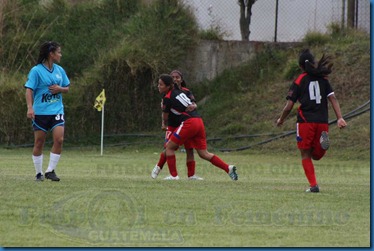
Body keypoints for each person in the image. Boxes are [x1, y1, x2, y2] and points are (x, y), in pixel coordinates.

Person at [276, 49, 347, 192]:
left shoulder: (299, 80)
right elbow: (333, 98)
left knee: (305, 154)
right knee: (316, 155)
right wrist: (339, 117)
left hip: (305, 121)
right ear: (314, 63)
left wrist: (281, 119)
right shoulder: (323, 78)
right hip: (322, 121)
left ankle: (313, 185)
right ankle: (322, 146)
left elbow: (289, 105)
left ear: (301, 66)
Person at [157, 74, 238, 181]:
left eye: (160, 84)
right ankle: (228, 168)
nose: (158, 86)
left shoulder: (168, 97)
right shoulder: (181, 92)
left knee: (169, 147)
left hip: (189, 123)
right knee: (203, 153)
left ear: (168, 86)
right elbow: (192, 104)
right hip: (199, 121)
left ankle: (173, 176)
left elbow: (166, 116)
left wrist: (164, 124)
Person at [25, 41, 70, 182]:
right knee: (39, 142)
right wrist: (30, 107)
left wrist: (60, 89)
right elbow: (29, 90)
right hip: (41, 113)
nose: (60, 54)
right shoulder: (36, 71)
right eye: (59, 52)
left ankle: (50, 170)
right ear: (51, 54)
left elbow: (67, 88)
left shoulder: (60, 70)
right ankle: (38, 173)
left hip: (57, 110)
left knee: (59, 139)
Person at [151, 70, 203, 180]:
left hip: (185, 123)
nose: (175, 79)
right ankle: (159, 167)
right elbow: (165, 111)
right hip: (173, 124)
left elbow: (193, 104)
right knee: (168, 147)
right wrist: (164, 124)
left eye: (177, 77)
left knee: (189, 149)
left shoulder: (185, 91)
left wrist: (194, 106)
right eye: (173, 77)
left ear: (181, 79)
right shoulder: (168, 94)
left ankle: (190, 175)